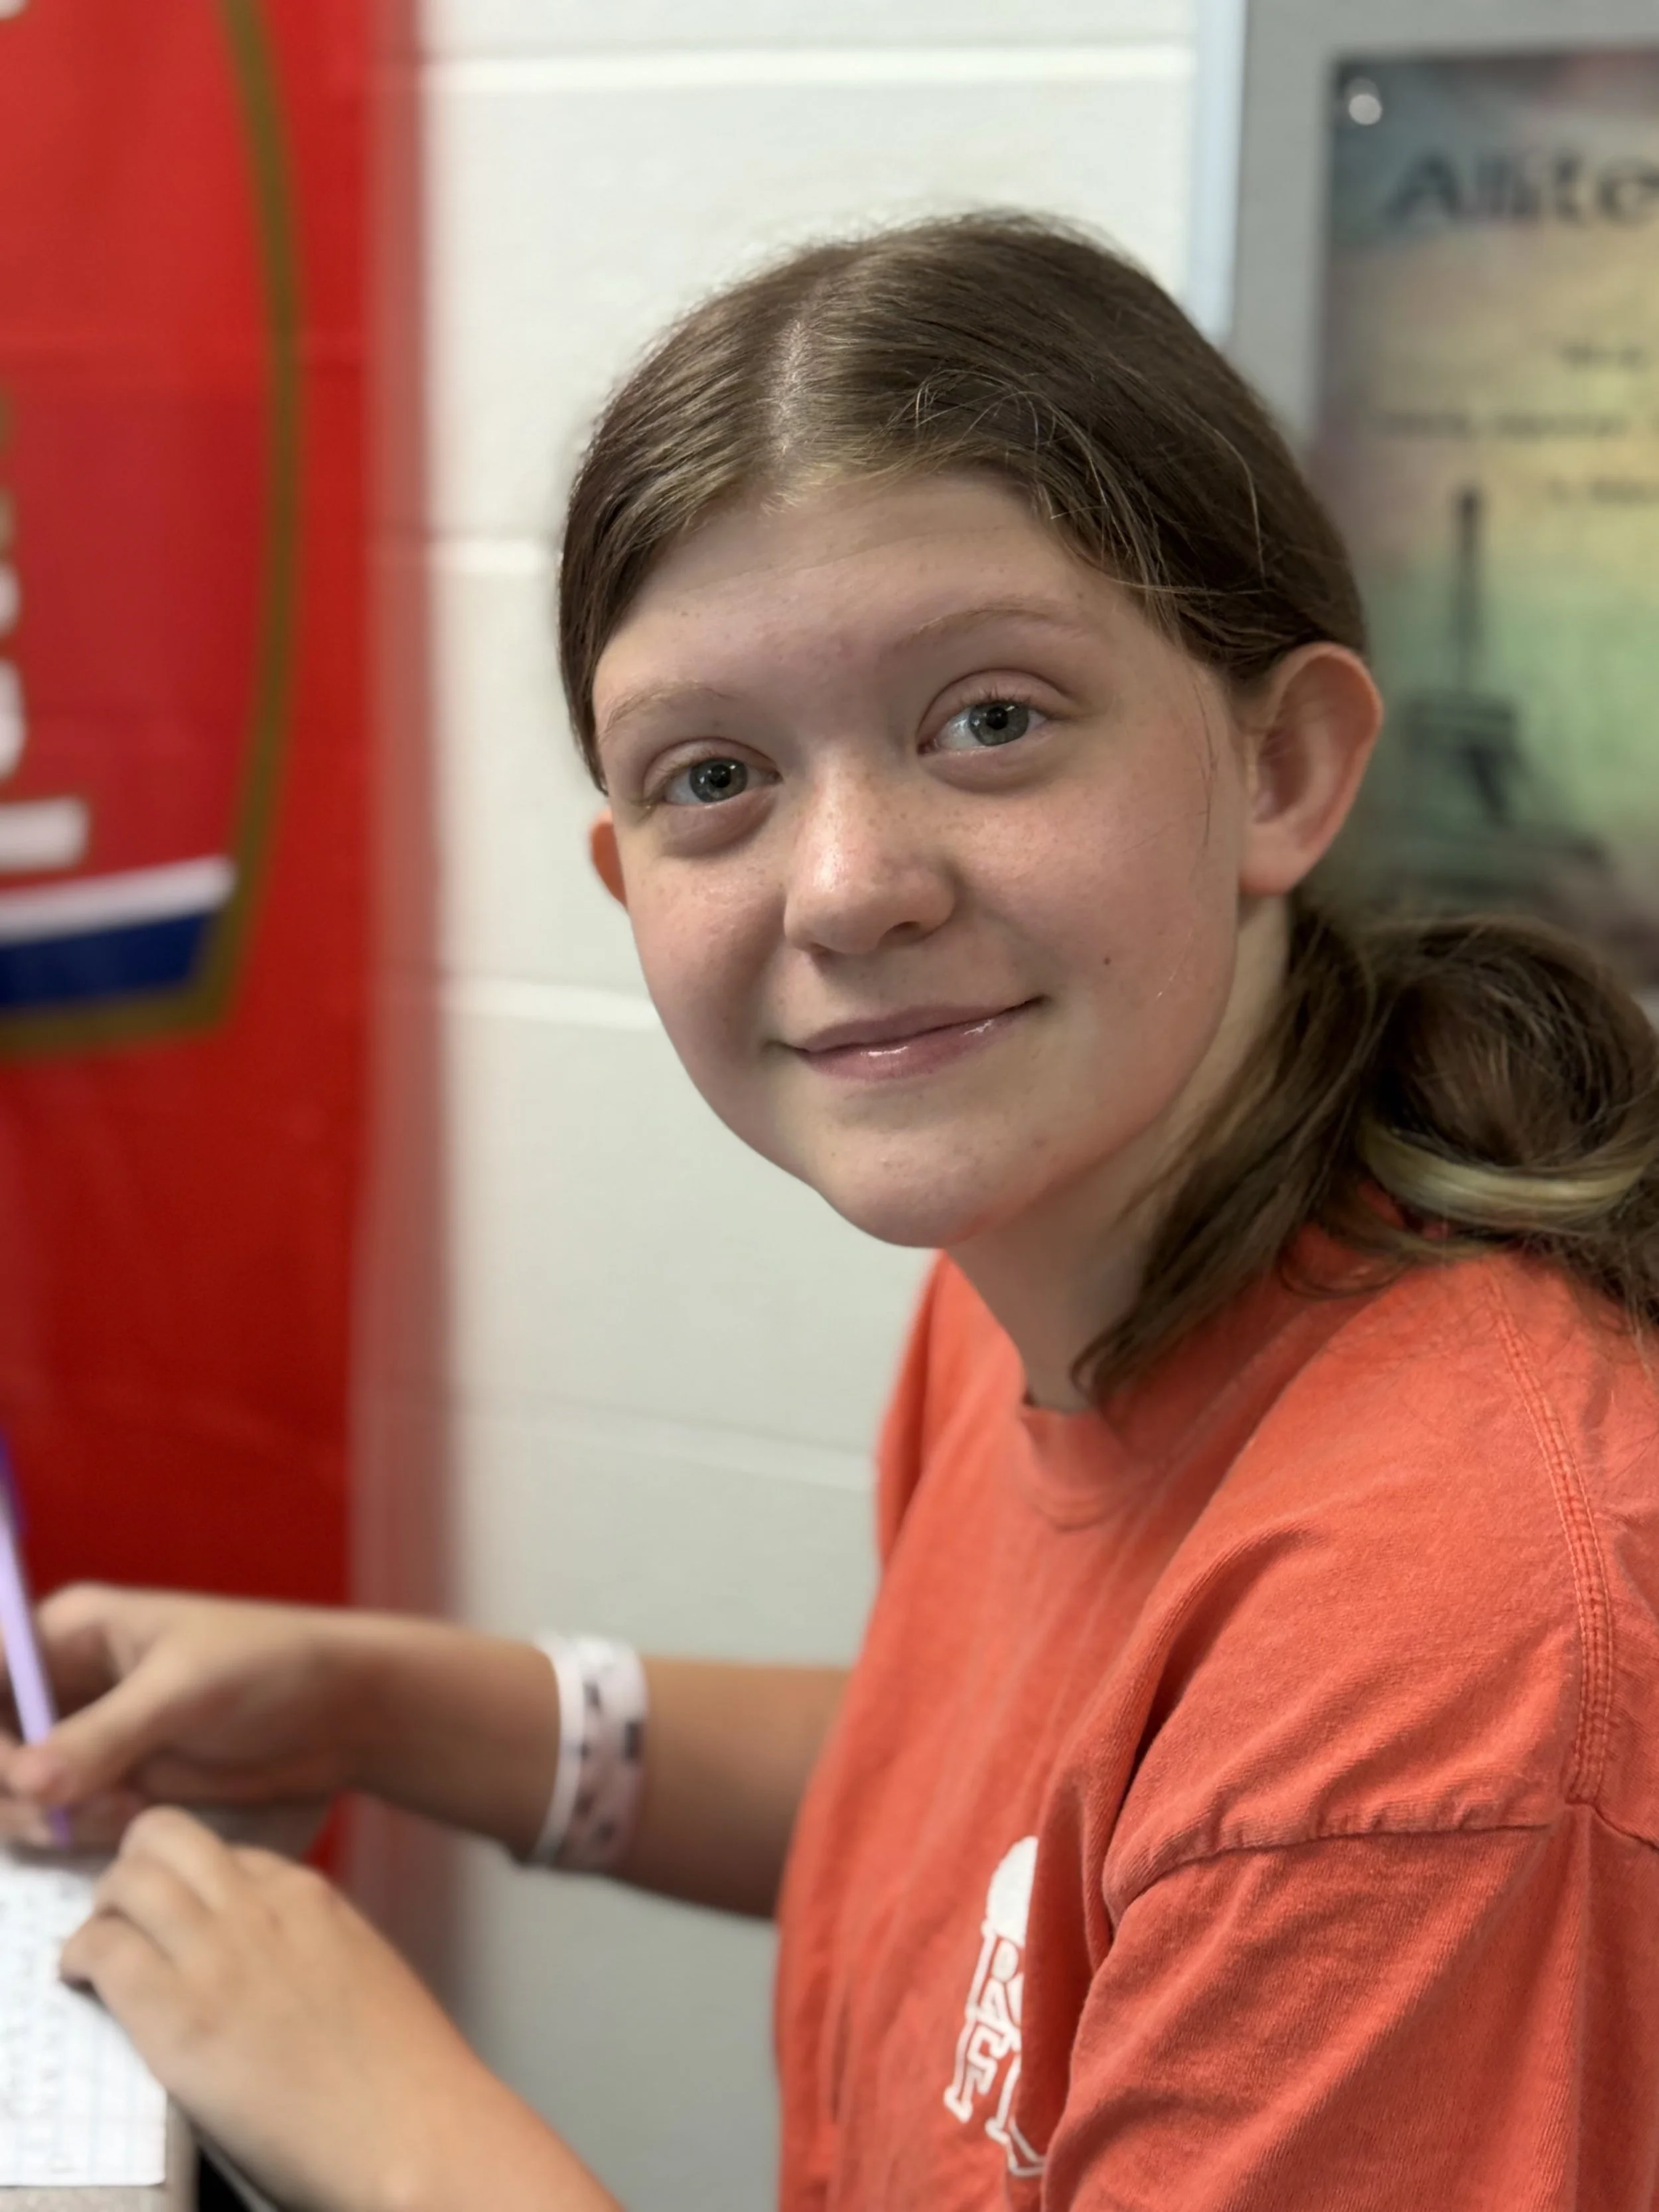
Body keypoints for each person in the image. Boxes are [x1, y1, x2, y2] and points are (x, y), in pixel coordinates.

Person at [5, 212, 1659, 2212]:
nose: (846, 883)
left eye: (989, 717)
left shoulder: (1447, 1641)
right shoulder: (1050, 1252)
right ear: (628, 882)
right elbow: (1016, 1848)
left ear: (1281, 764)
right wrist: (397, 1701)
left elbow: (1264, 1809)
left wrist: (392, 2122)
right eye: (715, 774)